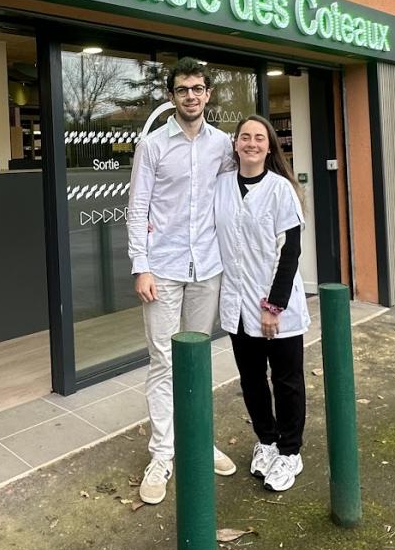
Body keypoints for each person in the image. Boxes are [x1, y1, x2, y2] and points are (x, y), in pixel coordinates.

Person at [127, 57, 238, 505]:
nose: (190, 96)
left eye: (197, 88)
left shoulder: (224, 146)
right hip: (164, 269)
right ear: (172, 96)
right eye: (182, 89)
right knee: (163, 361)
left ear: (208, 94)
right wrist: (141, 264)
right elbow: (138, 207)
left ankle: (197, 440)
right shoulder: (153, 146)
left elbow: (234, 200)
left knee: (196, 361)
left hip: (207, 268)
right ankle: (162, 454)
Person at [214, 114, 310, 492]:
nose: (251, 143)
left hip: (275, 306)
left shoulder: (280, 189)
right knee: (252, 381)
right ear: (235, 145)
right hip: (237, 306)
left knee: (286, 381)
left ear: (270, 147)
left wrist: (274, 307)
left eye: (259, 138)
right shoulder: (221, 186)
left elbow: (290, 252)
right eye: (245, 137)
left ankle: (290, 452)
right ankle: (266, 442)